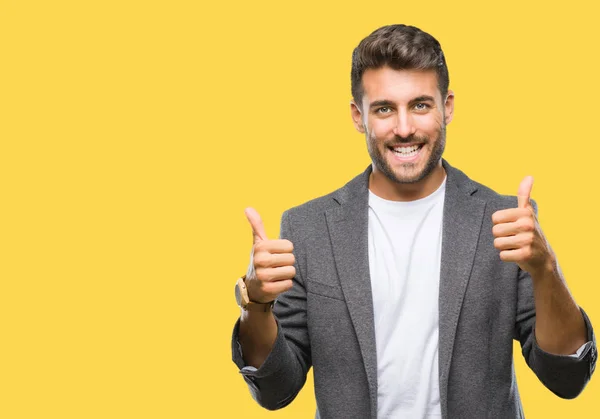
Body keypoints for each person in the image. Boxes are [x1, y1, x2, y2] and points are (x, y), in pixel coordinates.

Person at [231, 24, 597, 418]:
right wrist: (257, 305)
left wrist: (545, 270)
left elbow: (567, 378)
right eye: (384, 109)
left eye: (420, 105)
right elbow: (276, 390)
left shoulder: (504, 221)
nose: (404, 128)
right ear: (359, 116)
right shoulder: (309, 228)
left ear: (448, 107)